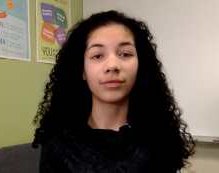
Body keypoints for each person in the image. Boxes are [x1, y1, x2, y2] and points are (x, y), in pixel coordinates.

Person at [32, 10, 196, 173]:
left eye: (125, 54)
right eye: (97, 56)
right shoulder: (58, 142)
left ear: (140, 65)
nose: (112, 65)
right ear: (82, 70)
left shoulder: (159, 136)